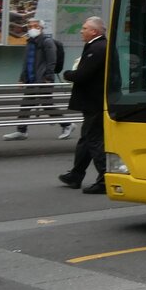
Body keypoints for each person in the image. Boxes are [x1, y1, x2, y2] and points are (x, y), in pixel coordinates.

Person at [2, 18, 74, 141]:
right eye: (29, 26)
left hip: (43, 80)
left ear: (41, 28)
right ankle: (21, 131)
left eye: (35, 26)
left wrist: (48, 78)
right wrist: (22, 78)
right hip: (31, 80)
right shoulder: (30, 42)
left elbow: (52, 61)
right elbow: (26, 62)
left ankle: (67, 125)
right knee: (26, 105)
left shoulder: (47, 42)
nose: (32, 28)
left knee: (47, 104)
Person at [59, 16, 108, 194]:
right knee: (87, 139)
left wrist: (68, 74)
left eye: (84, 28)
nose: (81, 30)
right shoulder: (99, 46)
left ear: (94, 31)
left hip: (93, 101)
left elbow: (83, 75)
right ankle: (76, 174)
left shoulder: (97, 48)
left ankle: (105, 178)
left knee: (93, 139)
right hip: (94, 101)